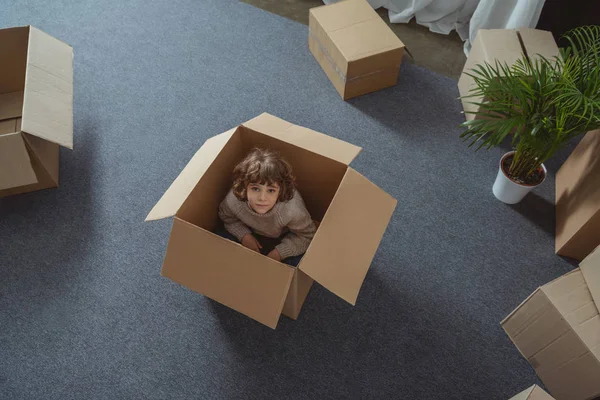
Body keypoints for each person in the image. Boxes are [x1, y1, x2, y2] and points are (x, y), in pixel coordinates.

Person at [217, 148, 316, 267]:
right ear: (244, 187)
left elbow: (307, 236)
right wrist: (244, 235)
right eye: (255, 189)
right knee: (218, 240)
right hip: (250, 230)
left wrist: (279, 253)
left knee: (300, 263)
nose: (262, 198)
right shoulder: (233, 201)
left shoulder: (291, 210)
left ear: (280, 191)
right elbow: (227, 219)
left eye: (271, 190)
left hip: (282, 237)